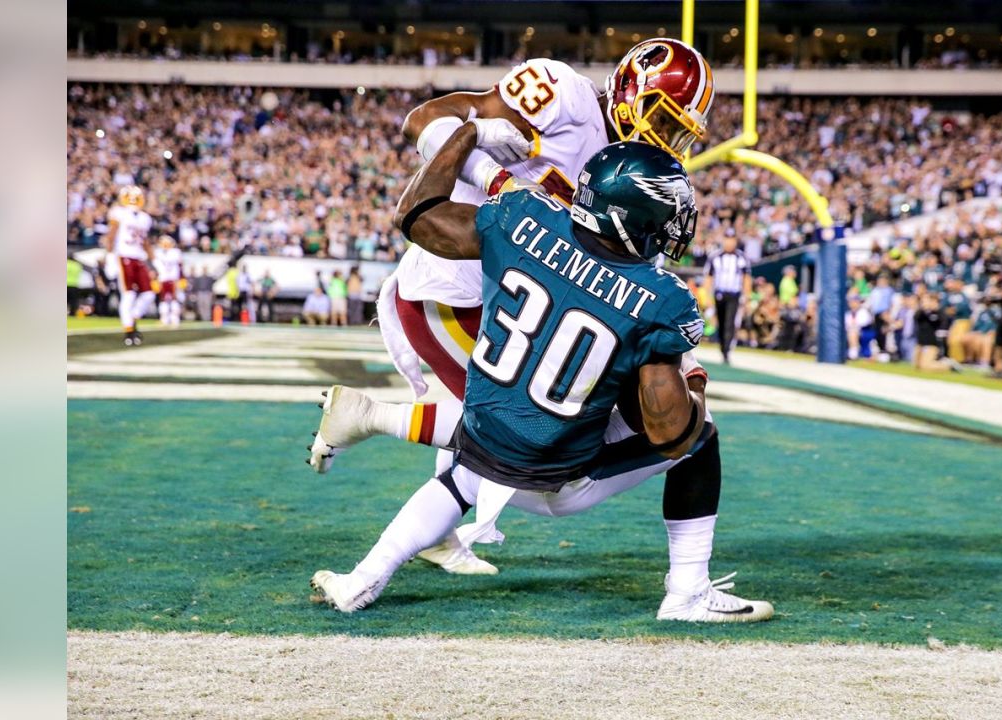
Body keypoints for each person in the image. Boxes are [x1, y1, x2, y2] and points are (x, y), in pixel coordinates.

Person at [311, 134, 771, 623]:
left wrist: (463, 135)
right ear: (629, 218)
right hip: (561, 475)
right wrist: (692, 381)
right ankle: (688, 594)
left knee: (467, 470)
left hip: (484, 441)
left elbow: (417, 215)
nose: (673, 227)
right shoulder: (660, 298)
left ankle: (360, 581)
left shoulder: (521, 219)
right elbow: (668, 432)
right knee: (703, 439)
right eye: (666, 214)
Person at [103, 185, 154, 346]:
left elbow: (145, 241)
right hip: (124, 256)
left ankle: (132, 318)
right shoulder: (119, 213)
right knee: (129, 295)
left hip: (138, 258)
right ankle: (129, 330)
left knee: (148, 294)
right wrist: (110, 255)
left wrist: (153, 260)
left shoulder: (145, 218)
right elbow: (111, 235)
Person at [703, 232, 752, 364]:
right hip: (719, 294)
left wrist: (747, 297)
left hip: (734, 295)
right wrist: (707, 297)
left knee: (730, 322)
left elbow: (746, 278)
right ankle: (723, 347)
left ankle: (726, 351)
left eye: (732, 240)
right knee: (721, 321)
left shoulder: (742, 258)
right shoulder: (715, 256)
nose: (730, 243)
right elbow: (708, 277)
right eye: (727, 240)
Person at [153, 236, 184, 327]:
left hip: (172, 278)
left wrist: (182, 277)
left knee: (174, 299)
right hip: (163, 278)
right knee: (163, 299)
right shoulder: (159, 252)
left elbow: (180, 265)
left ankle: (174, 319)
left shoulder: (175, 252)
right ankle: (165, 319)